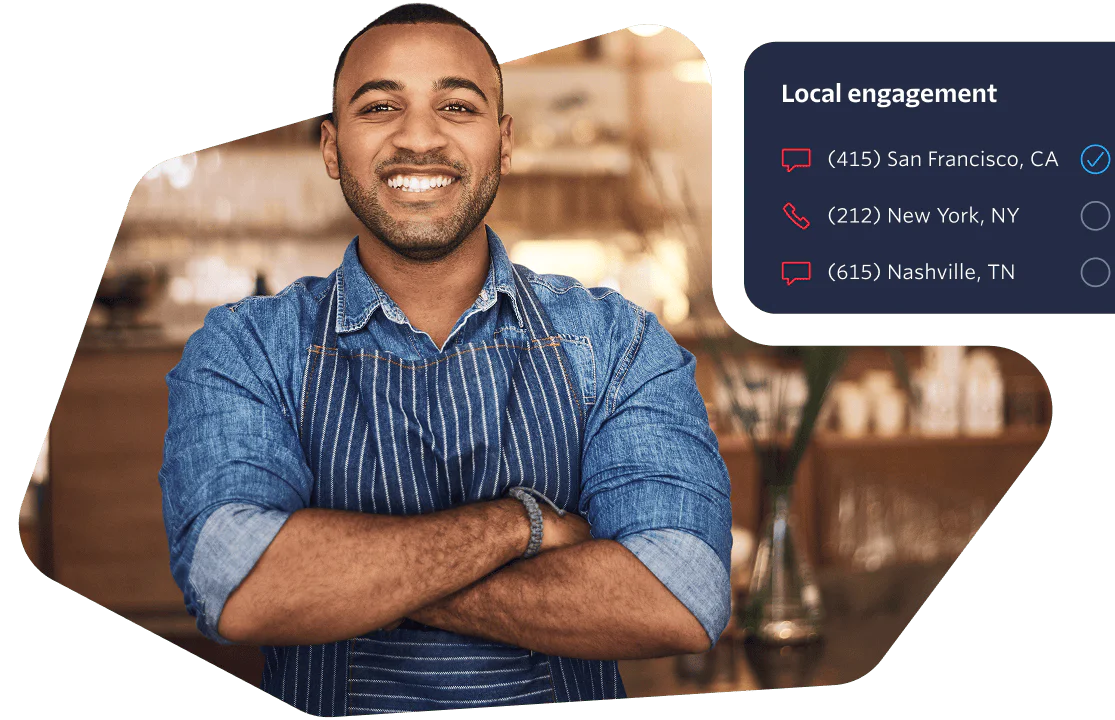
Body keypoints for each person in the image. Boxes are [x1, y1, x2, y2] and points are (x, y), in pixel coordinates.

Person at [159, 4, 731, 715]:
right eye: (381, 106)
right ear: (332, 148)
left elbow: (680, 595)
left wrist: (351, 582)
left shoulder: (618, 345)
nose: (419, 136)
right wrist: (519, 526)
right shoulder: (247, 349)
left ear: (504, 140)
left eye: (457, 105)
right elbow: (240, 588)